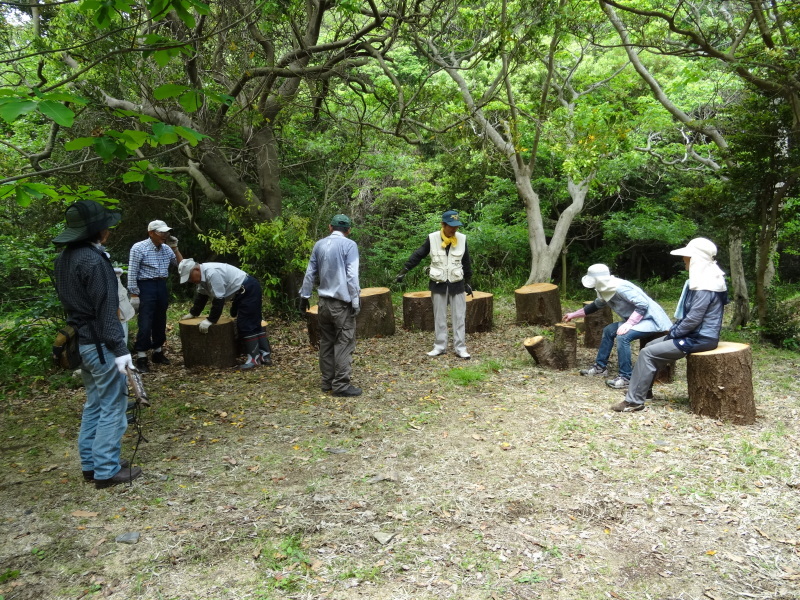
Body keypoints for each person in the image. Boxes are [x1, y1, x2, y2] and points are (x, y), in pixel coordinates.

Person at [53, 200, 143, 489]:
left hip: (81, 342)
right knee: (114, 406)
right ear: (99, 231)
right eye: (106, 226)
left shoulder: (64, 258)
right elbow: (106, 311)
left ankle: (91, 465)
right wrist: (120, 350)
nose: (109, 230)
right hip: (102, 344)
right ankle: (106, 469)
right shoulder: (94, 260)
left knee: (95, 403)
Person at [612, 238, 728, 413]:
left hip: (699, 338)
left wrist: (674, 333)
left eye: (687, 257)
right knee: (651, 346)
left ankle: (634, 401)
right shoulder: (707, 281)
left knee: (647, 353)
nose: (684, 261)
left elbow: (693, 319)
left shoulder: (706, 286)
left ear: (696, 260)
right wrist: (676, 331)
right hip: (693, 335)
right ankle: (644, 391)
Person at [563, 264, 672, 389]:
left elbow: (643, 305)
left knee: (623, 336)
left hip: (651, 320)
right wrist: (573, 314)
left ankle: (626, 377)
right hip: (638, 320)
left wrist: (629, 324)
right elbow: (596, 305)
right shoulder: (604, 289)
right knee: (609, 330)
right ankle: (600, 367)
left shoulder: (621, 288)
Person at [395, 210, 473, 359]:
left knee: (459, 316)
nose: (454, 229)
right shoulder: (432, 238)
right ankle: (439, 346)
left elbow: (466, 262)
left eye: (456, 226)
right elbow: (418, 254)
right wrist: (404, 270)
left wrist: (468, 282)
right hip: (438, 283)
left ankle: (460, 348)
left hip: (457, 283)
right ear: (443, 224)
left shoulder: (462, 239)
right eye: (451, 226)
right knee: (439, 317)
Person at [299, 214, 362, 397]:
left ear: (330, 227)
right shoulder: (349, 245)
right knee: (344, 342)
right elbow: (352, 276)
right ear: (348, 230)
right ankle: (341, 385)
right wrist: (356, 301)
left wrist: (304, 296)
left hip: (323, 303)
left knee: (327, 341)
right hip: (341, 303)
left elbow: (310, 272)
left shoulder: (319, 245)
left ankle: (327, 382)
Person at [178, 259, 273, 369]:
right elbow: (202, 296)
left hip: (248, 289)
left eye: (189, 277)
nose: (190, 280)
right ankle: (264, 356)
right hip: (243, 290)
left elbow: (219, 298)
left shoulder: (212, 273)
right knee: (253, 322)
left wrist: (211, 320)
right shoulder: (202, 278)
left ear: (196, 269)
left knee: (246, 324)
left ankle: (254, 358)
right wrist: (193, 313)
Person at [127, 220, 183, 373]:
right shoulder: (139, 248)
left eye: (166, 232)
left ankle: (157, 351)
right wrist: (134, 294)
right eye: (161, 233)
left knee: (160, 319)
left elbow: (182, 266)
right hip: (146, 286)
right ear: (151, 233)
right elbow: (132, 272)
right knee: (145, 321)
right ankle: (141, 356)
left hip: (161, 285)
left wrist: (175, 248)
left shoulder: (166, 249)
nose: (164, 235)